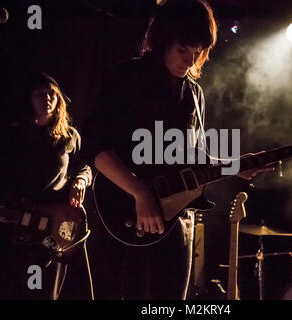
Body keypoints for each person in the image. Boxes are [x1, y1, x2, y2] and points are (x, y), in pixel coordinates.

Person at [85, 0, 217, 299]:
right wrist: (140, 192)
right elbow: (95, 145)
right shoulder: (129, 78)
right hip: (123, 219)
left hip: (177, 225)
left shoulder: (195, 94)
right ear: (162, 40)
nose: (190, 60)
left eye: (197, 53)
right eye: (183, 50)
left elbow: (193, 161)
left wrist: (238, 165)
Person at [0, 72, 93, 299]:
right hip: (25, 221)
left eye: (52, 93)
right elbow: (1, 177)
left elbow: (86, 167)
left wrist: (80, 181)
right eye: (39, 94)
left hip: (61, 222)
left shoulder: (70, 136)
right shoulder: (14, 135)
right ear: (28, 100)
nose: (47, 98)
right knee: (29, 288)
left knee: (59, 287)